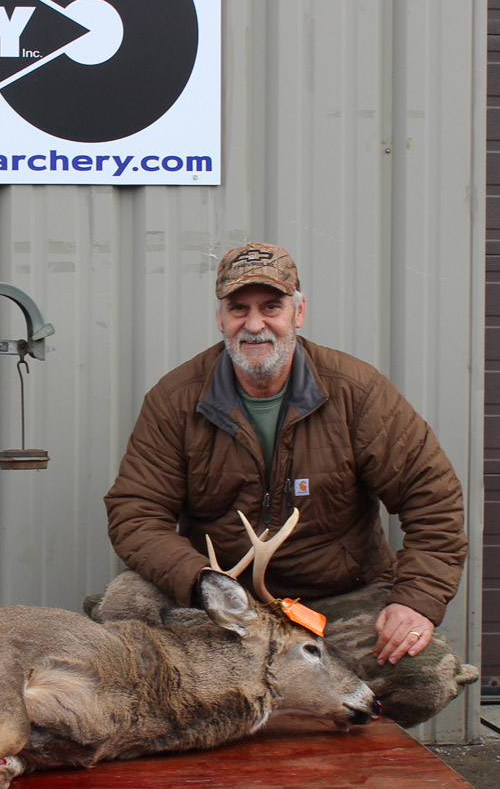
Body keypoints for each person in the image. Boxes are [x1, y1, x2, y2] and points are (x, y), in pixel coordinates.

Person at [93, 242, 478, 727]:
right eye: (239, 309)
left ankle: (326, 755)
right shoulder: (176, 400)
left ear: (299, 311)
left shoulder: (358, 393)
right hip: (224, 604)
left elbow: (433, 500)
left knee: (423, 679)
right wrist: (202, 582)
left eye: (271, 307)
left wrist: (415, 601)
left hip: (336, 601)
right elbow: (135, 512)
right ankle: (201, 746)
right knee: (123, 609)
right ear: (220, 318)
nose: (254, 324)